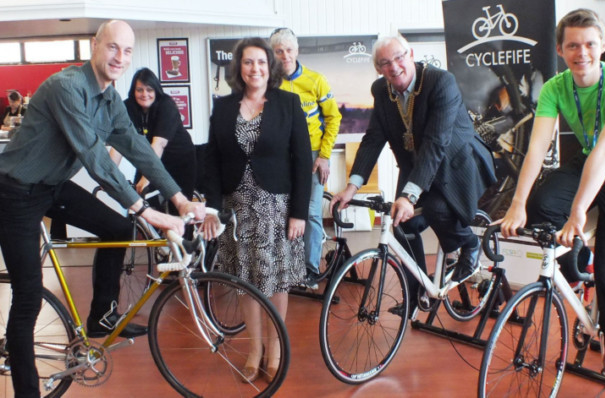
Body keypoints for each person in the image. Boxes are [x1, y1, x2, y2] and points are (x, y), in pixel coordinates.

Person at [0, 20, 205, 398]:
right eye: (113, 47)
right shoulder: (67, 88)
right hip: (14, 193)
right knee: (28, 296)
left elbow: (138, 148)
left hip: (51, 186)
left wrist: (178, 198)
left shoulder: (110, 98)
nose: (120, 58)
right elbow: (95, 158)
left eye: (127, 51)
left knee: (116, 227)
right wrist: (147, 211)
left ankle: (100, 316)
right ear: (95, 45)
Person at [497, 9, 605, 380]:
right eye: (573, 44)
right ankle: (576, 268)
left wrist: (578, 213)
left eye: (590, 43)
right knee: (541, 206)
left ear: (602, 45)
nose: (581, 52)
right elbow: (537, 148)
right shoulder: (556, 87)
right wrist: (518, 204)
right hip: (590, 159)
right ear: (560, 48)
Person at [330, 35, 497, 318]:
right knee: (401, 224)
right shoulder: (380, 90)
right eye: (385, 63)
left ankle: (469, 245)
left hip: (456, 163)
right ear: (378, 69)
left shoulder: (440, 82)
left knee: (435, 209)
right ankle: (418, 291)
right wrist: (352, 186)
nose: (394, 66)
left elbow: (436, 143)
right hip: (417, 165)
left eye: (398, 58)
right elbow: (373, 138)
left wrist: (409, 195)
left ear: (411, 54)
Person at [202, 37, 311, 384]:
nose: (255, 69)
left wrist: (299, 214)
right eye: (248, 62)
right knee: (245, 282)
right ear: (239, 68)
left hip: (277, 208)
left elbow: (302, 161)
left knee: (277, 280)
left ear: (271, 66)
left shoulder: (289, 104)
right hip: (238, 209)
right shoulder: (222, 107)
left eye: (261, 62)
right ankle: (254, 349)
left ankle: (276, 346)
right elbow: (212, 161)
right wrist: (211, 209)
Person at [269, 28, 342, 289]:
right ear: (273, 54)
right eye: (279, 51)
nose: (285, 56)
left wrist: (324, 156)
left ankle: (310, 269)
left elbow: (334, 118)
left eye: (289, 50)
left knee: (310, 213)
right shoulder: (270, 83)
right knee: (283, 211)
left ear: (297, 51)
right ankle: (287, 266)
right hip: (281, 157)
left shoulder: (315, 80)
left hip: (312, 155)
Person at [111, 67, 196, 216]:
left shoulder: (166, 105)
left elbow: (159, 143)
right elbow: (119, 144)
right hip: (151, 158)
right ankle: (153, 235)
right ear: (133, 91)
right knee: (140, 200)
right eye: (140, 90)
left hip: (180, 162)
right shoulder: (128, 107)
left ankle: (183, 237)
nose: (145, 94)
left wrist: (147, 177)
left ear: (156, 90)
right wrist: (109, 174)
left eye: (149, 90)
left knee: (180, 210)